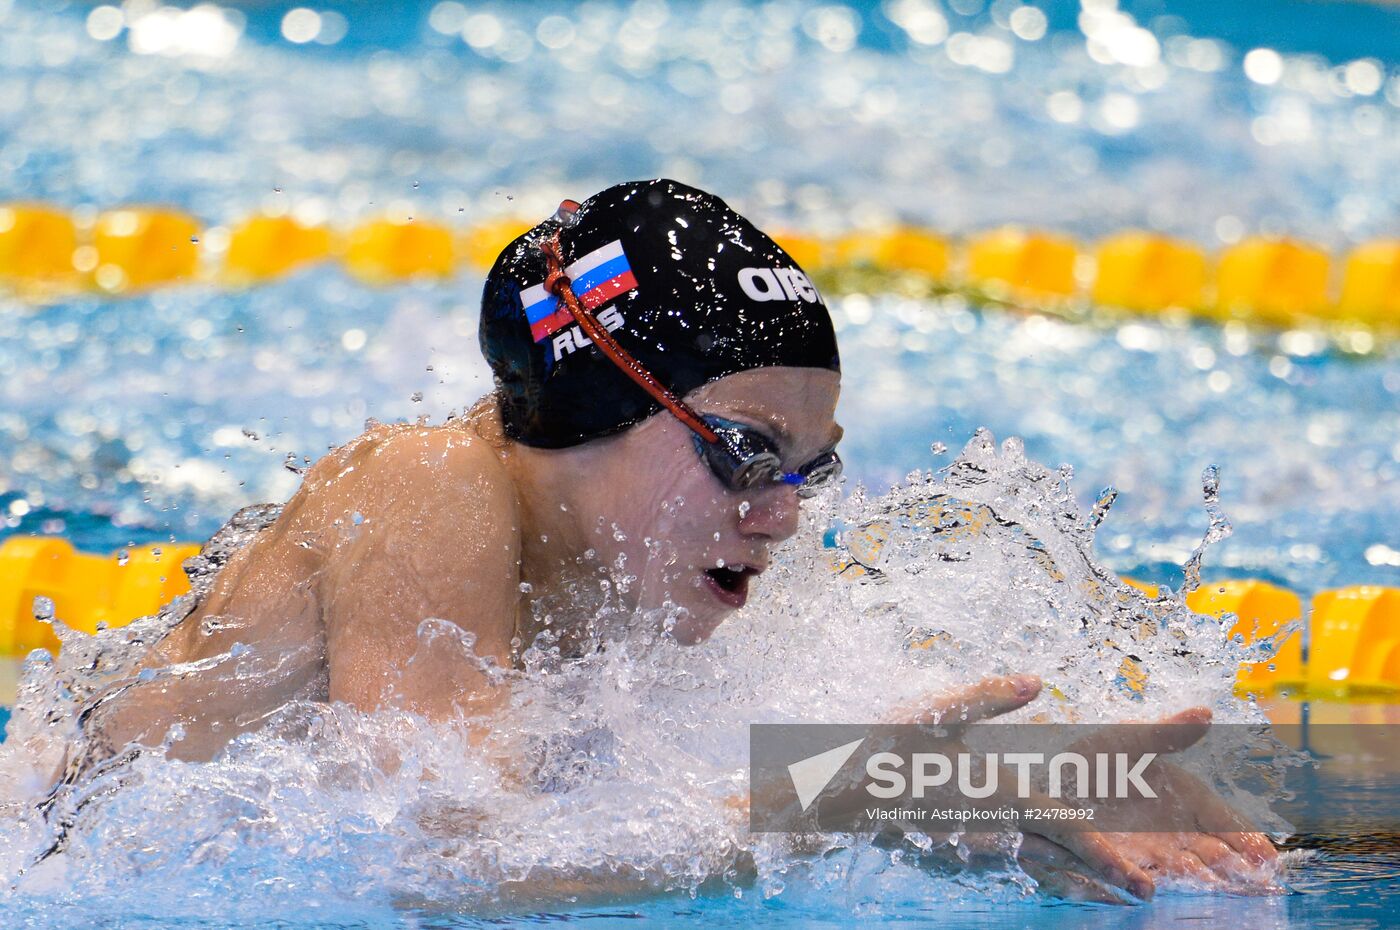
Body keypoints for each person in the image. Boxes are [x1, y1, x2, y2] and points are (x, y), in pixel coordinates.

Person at [63, 179, 1275, 901]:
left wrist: (996, 792)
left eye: (808, 466)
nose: (782, 512)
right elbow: (443, 868)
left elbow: (702, 804)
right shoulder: (424, 487)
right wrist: (817, 797)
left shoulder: (644, 576)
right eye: (745, 452)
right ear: (594, 411)